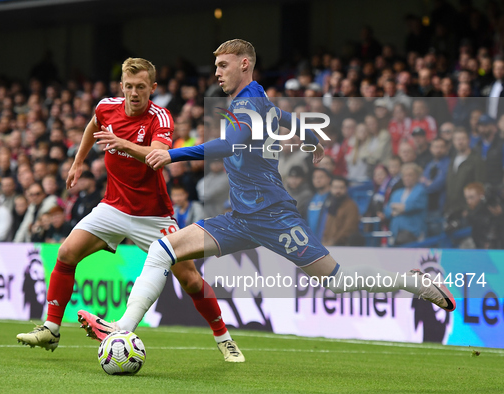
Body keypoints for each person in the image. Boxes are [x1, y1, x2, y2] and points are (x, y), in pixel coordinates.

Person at [76, 39, 455, 349]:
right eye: (216, 66)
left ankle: (413, 282)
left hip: (273, 215)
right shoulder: (255, 98)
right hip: (241, 217)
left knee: (336, 280)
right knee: (163, 250)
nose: (217, 73)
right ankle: (122, 328)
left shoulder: (247, 101)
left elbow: (231, 144)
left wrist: (171, 154)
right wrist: (310, 137)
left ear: (244, 63)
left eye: (223, 65)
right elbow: (282, 117)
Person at [17, 57, 243, 362]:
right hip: (113, 206)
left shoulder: (160, 117)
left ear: (153, 87)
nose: (134, 93)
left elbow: (159, 154)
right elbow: (92, 125)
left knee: (189, 280)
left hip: (153, 215)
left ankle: (224, 338)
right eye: (128, 86)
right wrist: (79, 161)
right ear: (121, 86)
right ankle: (51, 328)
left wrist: (122, 143)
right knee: (66, 253)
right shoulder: (106, 107)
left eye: (140, 87)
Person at [383, 163, 428, 245]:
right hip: (395, 231)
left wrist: (397, 208)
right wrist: (399, 209)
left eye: (410, 175)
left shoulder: (420, 191)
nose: (407, 178)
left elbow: (411, 206)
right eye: (404, 175)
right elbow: (387, 210)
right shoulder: (397, 193)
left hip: (412, 232)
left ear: (417, 176)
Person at [322, 177, 360, 246]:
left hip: (343, 247)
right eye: (335, 187)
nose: (338, 191)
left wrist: (333, 241)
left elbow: (349, 229)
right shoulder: (331, 205)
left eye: (341, 188)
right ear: (330, 188)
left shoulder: (351, 206)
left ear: (346, 189)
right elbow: (327, 228)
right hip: (329, 246)